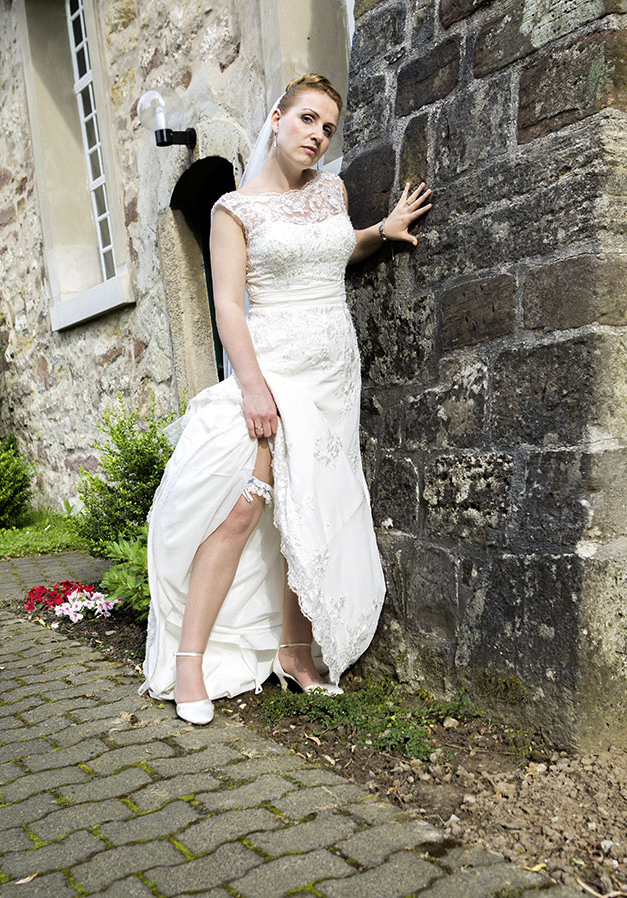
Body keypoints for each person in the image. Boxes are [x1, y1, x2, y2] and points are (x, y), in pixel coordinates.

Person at [140, 73, 431, 724]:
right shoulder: (233, 211)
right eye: (306, 120)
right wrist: (253, 387)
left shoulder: (331, 191)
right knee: (245, 506)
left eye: (327, 128)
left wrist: (380, 230)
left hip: (333, 376)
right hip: (274, 372)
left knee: (310, 512)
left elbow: (330, 252)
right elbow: (227, 307)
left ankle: (297, 659)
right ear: (276, 118)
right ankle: (189, 667)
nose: (317, 136)